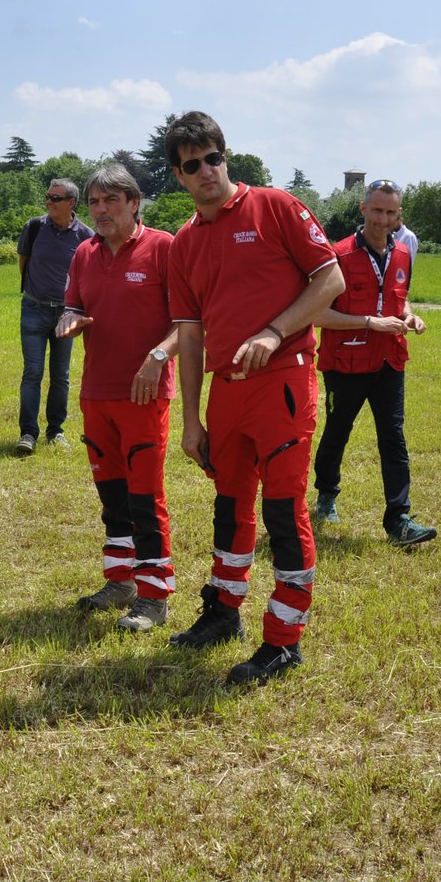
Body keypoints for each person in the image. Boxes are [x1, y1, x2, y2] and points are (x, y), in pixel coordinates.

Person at [164, 111, 345, 686]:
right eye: (193, 165)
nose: (206, 171)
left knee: (282, 510)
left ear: (226, 157)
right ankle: (223, 612)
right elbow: (190, 337)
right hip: (225, 389)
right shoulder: (185, 243)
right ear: (179, 176)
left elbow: (331, 279)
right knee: (229, 503)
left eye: (213, 158)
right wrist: (190, 422)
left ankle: (284, 640)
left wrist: (274, 330)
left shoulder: (276, 206)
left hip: (284, 379)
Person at [58, 164, 179, 632]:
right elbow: (73, 305)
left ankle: (154, 596)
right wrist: (67, 321)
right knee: (111, 494)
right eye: (94, 202)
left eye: (111, 201)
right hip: (97, 392)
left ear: (134, 203)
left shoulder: (164, 247)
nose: (101, 210)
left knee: (145, 497)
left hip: (145, 393)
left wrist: (157, 357)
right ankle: (120, 580)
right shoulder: (84, 253)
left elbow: (189, 321)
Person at [311, 179, 436, 547]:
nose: (383, 219)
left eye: (390, 212)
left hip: (389, 361)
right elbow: (317, 314)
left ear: (399, 216)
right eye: (377, 210)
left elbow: (401, 298)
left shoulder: (402, 254)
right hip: (345, 362)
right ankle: (327, 493)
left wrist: (409, 316)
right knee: (338, 430)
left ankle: (398, 520)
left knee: (393, 438)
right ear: (363, 209)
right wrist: (369, 322)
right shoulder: (339, 255)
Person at [15, 178, 94, 455]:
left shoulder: (85, 235)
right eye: (48, 197)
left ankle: (55, 430)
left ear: (71, 203)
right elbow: (23, 261)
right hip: (34, 309)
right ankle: (28, 432)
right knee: (32, 373)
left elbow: (90, 274)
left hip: (66, 313)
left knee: (61, 375)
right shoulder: (34, 227)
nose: (49, 202)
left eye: (55, 198)